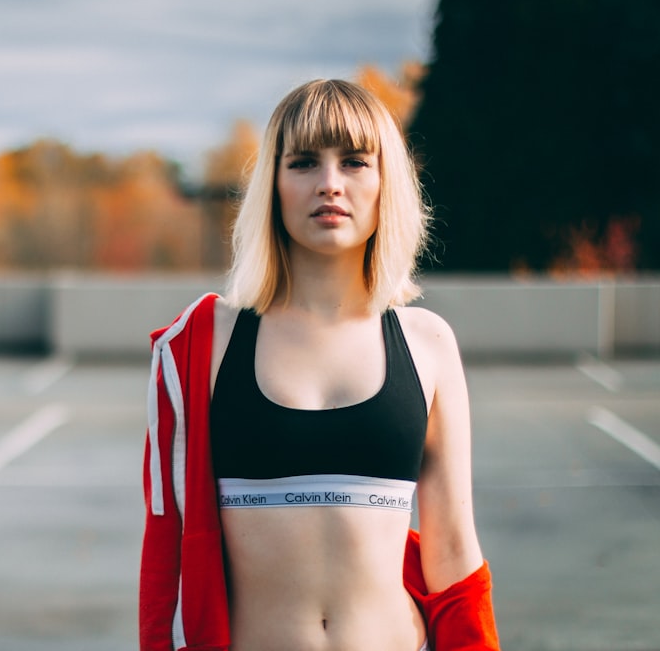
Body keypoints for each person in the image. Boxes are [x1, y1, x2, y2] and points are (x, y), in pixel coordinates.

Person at [140, 79, 499, 651]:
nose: (329, 184)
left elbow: (453, 554)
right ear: (274, 185)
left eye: (355, 162)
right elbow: (167, 555)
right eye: (304, 162)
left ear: (386, 185)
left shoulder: (427, 343)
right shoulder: (202, 345)